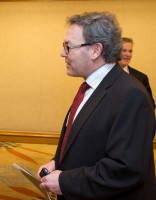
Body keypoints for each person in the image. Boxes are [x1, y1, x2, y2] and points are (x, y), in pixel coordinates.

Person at [38, 12, 155, 200]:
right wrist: (56, 163)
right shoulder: (90, 88)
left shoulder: (130, 95)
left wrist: (66, 181)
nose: (62, 53)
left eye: (68, 47)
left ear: (95, 50)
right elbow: (85, 144)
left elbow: (126, 170)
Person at [118, 37, 155, 106]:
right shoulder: (105, 75)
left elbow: (150, 105)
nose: (128, 54)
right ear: (116, 52)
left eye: (130, 51)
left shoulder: (141, 78)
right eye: (124, 50)